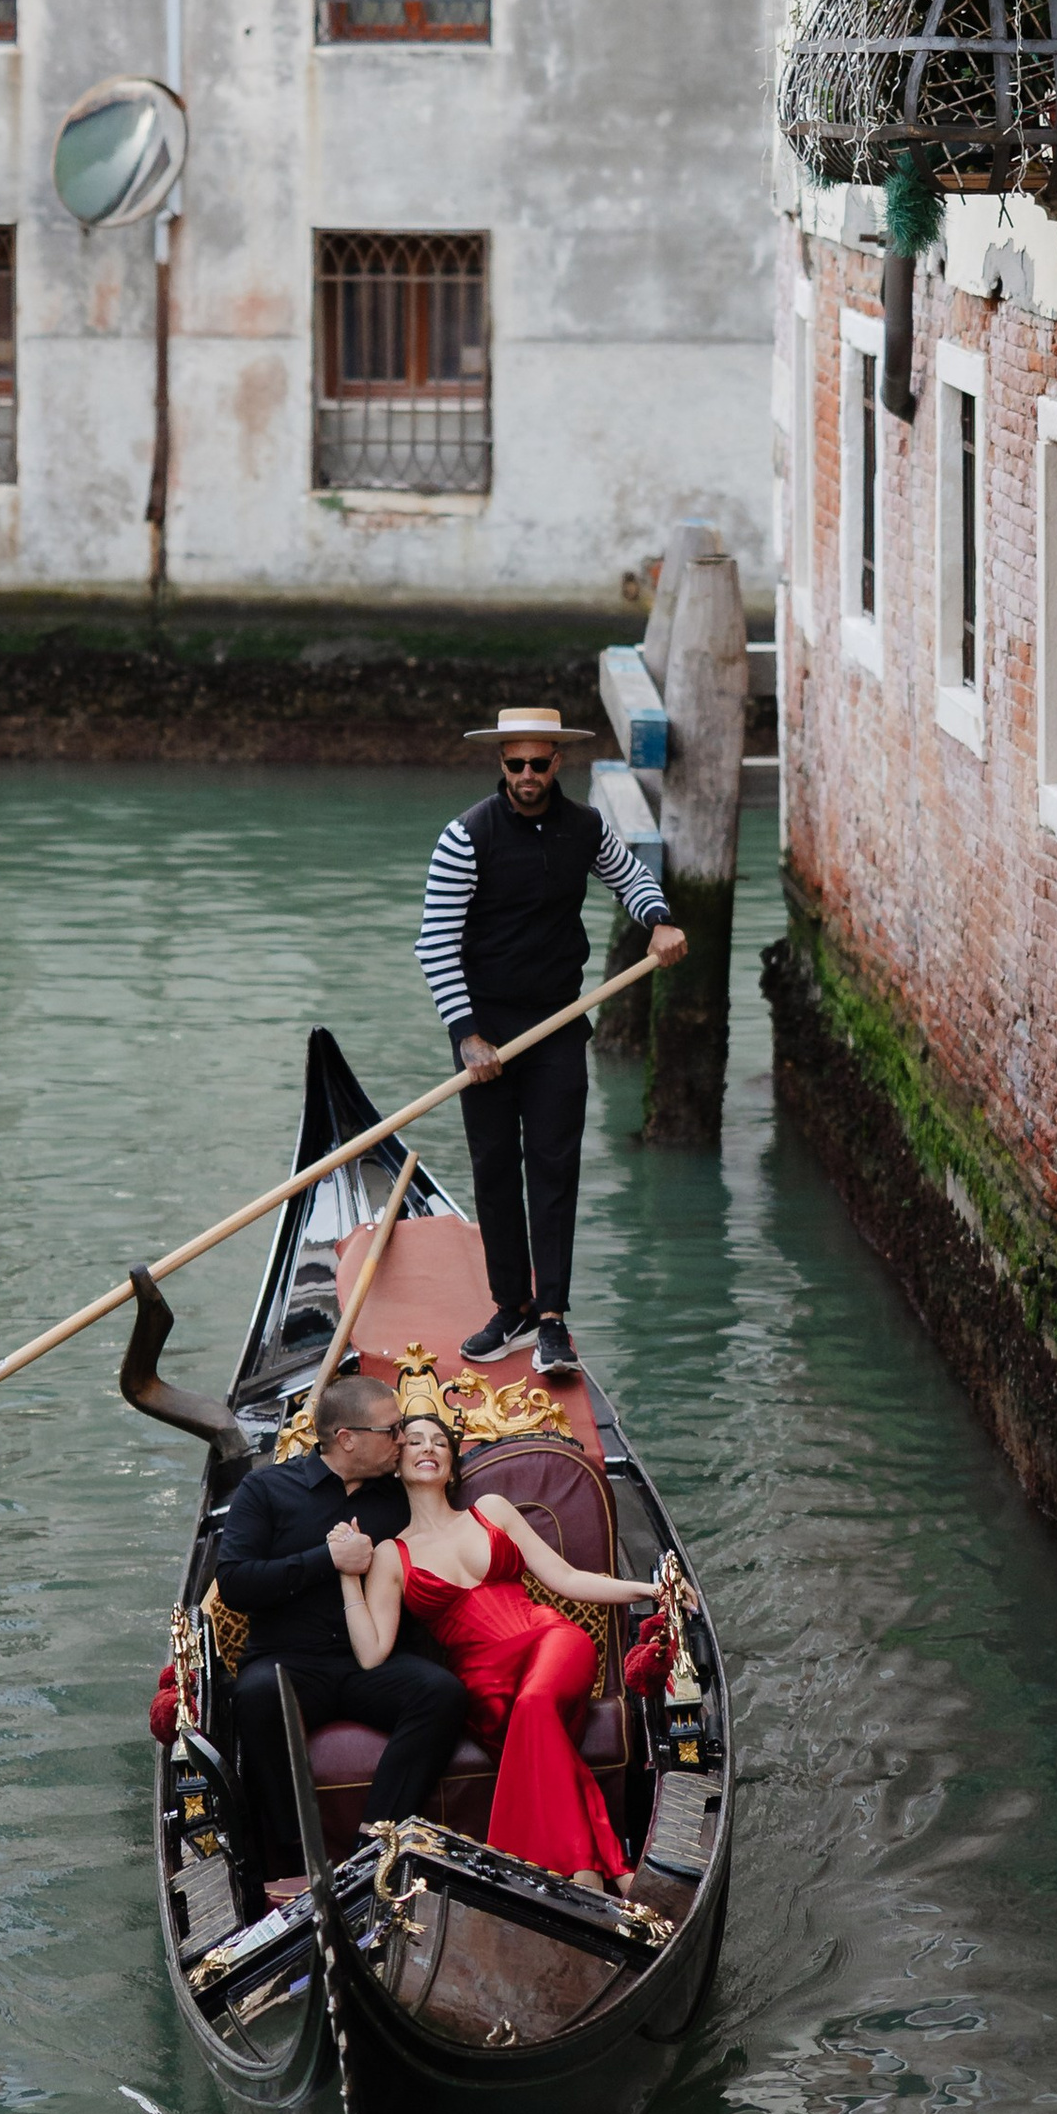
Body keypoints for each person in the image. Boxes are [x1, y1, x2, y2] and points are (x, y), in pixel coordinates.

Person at [414, 704, 687, 1380]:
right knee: (495, 1169)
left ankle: (553, 1319)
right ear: (501, 763)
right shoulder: (465, 837)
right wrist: (467, 1035)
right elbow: (435, 944)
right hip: (485, 1031)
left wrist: (658, 918)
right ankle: (511, 1306)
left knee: (554, 1168)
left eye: (539, 763)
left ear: (557, 762)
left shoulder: (585, 827)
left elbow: (630, 876)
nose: (528, 775)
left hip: (559, 1022)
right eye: (517, 764)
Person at [336, 1360, 657, 1889]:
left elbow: (566, 1578)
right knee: (541, 1738)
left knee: (535, 1705)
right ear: (397, 1463)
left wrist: (647, 1590)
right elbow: (372, 1653)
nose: (428, 1448)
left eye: (439, 1442)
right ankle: (612, 1867)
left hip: (550, 1640)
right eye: (414, 1441)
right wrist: (349, 1576)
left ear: (451, 1463)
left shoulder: (491, 1510)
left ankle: (571, 1877)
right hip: (484, 1687)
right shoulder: (392, 1555)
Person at [214, 1373, 467, 1886]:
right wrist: (326, 1560)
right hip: (288, 1663)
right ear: (347, 1438)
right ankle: (292, 1862)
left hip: (371, 1663)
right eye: (392, 1430)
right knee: (257, 1696)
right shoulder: (266, 1490)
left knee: (442, 1694)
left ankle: (374, 1848)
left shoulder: (398, 1497)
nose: (401, 1439)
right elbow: (235, 1582)